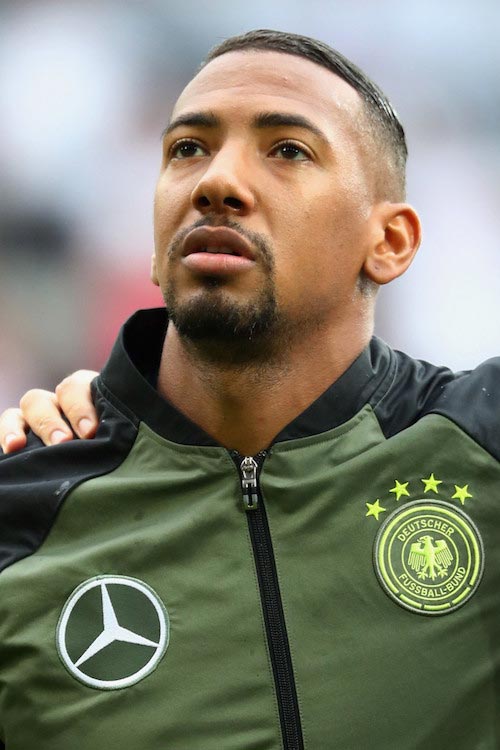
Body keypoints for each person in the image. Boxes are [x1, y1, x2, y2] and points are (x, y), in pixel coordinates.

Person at [0, 28, 499, 750]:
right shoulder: (24, 509)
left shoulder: (480, 448)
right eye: (187, 149)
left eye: (287, 150)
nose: (216, 182)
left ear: (389, 242)